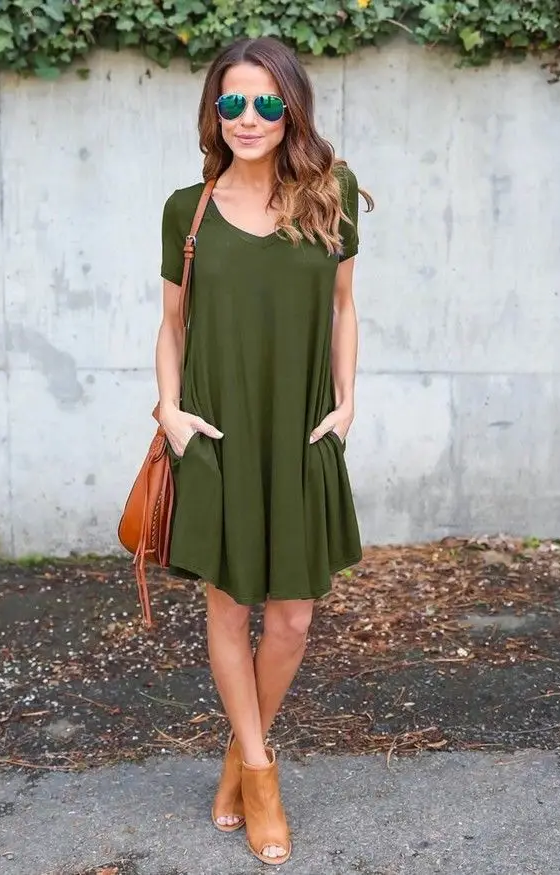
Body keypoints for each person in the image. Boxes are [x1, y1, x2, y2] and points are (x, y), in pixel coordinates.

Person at [154, 36, 373, 866]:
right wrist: (170, 411)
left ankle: (237, 761)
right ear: (214, 113)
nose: (248, 118)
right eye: (232, 102)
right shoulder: (188, 209)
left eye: (267, 103)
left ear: (292, 110)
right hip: (216, 429)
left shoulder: (331, 193)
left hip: (301, 425)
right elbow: (171, 324)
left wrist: (346, 402)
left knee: (291, 616)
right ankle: (259, 773)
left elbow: (343, 306)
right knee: (228, 606)